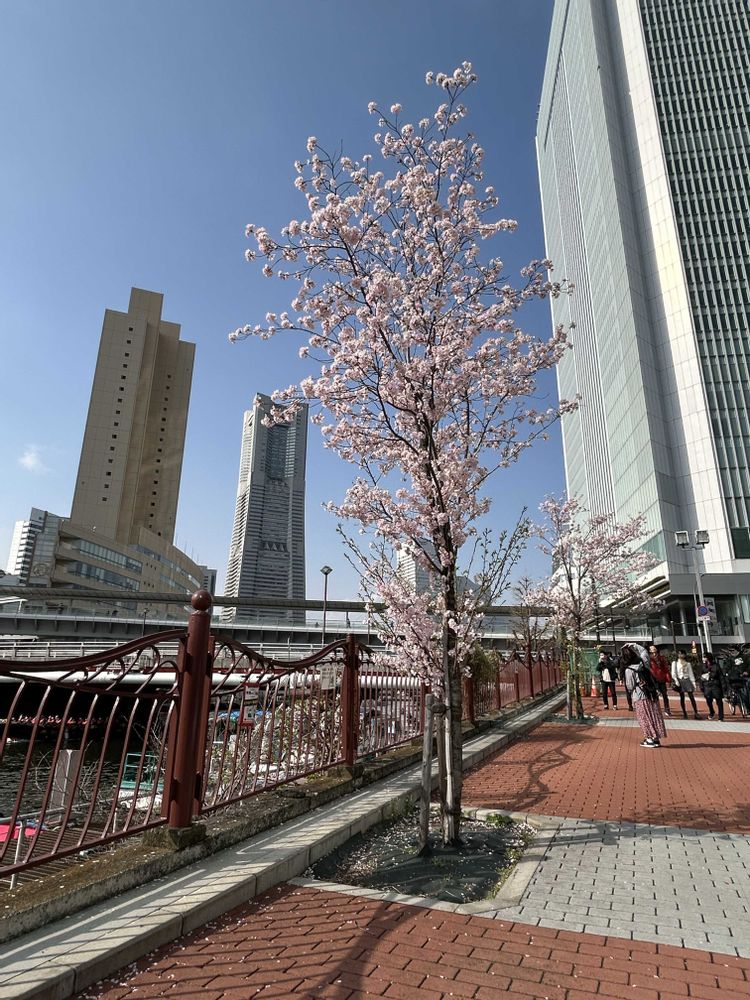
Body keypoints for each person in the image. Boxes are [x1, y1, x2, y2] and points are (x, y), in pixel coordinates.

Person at [621, 642, 666, 747]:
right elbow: (644, 651)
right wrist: (634, 645)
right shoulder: (644, 662)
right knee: (654, 715)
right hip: (652, 694)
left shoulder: (629, 670)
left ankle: (649, 739)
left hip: (640, 695)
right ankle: (656, 738)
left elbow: (630, 686)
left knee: (644, 717)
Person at [671, 650, 700, 719]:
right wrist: (676, 680)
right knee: (682, 697)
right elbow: (673, 673)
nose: (681, 655)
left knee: (691, 697)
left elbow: (690, 673)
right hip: (680, 680)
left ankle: (696, 712)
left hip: (687, 680)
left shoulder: (688, 664)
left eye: (682, 654)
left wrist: (693, 682)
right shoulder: (675, 663)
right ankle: (684, 713)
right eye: (679, 654)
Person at [700, 651, 726, 721]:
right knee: (708, 700)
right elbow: (701, 676)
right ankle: (712, 712)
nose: (703, 658)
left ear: (708, 658)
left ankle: (721, 716)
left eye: (705, 657)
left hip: (715, 684)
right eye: (703, 657)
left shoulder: (716, 666)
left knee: (719, 700)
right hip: (707, 685)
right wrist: (701, 685)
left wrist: (723, 685)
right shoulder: (703, 666)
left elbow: (721, 676)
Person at [648, 644, 672, 716]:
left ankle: (667, 709)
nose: (653, 652)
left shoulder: (661, 658)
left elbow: (666, 668)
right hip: (653, 679)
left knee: (665, 695)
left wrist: (668, 678)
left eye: (654, 649)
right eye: (651, 650)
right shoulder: (649, 659)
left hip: (662, 678)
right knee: (655, 695)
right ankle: (656, 709)